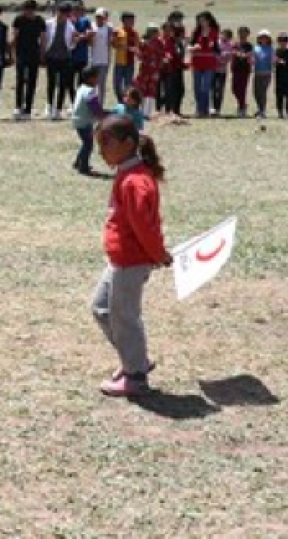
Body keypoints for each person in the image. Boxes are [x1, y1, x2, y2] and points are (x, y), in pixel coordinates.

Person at [91, 114, 171, 399]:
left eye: (106, 144)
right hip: (119, 260)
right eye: (99, 145)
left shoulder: (135, 181)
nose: (101, 152)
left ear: (127, 144)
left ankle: (136, 376)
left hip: (130, 262)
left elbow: (144, 227)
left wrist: (159, 254)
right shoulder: (126, 175)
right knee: (101, 308)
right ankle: (135, 359)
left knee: (125, 317)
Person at [11, 0, 46, 119]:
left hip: (34, 54)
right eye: (26, 9)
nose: (28, 12)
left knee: (32, 82)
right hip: (21, 53)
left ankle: (28, 109)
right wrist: (13, 54)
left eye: (30, 10)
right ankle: (18, 106)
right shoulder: (19, 19)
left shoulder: (40, 21)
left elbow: (43, 39)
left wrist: (42, 54)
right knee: (20, 80)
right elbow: (14, 37)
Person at [71, 66, 106, 176]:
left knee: (86, 143)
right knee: (88, 144)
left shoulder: (82, 88)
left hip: (78, 119)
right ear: (91, 78)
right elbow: (95, 108)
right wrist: (104, 116)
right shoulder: (90, 91)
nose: (98, 80)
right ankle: (83, 167)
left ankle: (78, 162)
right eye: (96, 77)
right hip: (84, 122)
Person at [188, 12, 220, 119]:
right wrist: (193, 48)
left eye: (203, 20)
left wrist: (206, 41)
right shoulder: (196, 32)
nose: (202, 22)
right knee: (197, 87)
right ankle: (199, 109)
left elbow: (211, 45)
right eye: (200, 20)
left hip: (209, 63)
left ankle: (204, 110)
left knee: (205, 87)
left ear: (209, 20)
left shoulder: (214, 31)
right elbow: (189, 46)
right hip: (197, 62)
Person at [111, 11, 139, 103]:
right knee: (117, 84)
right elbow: (113, 44)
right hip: (119, 62)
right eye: (130, 20)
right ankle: (120, 101)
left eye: (133, 20)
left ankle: (126, 102)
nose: (132, 22)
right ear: (124, 20)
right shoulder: (117, 31)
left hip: (130, 63)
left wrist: (136, 50)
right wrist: (121, 45)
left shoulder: (135, 33)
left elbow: (137, 46)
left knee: (128, 85)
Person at [251, 30, 274, 120]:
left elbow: (272, 60)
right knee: (256, 92)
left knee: (262, 92)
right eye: (262, 37)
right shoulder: (256, 48)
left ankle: (263, 110)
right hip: (257, 73)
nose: (263, 39)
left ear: (268, 39)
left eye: (265, 37)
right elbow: (253, 58)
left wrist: (273, 64)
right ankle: (259, 109)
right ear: (259, 39)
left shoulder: (270, 49)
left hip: (266, 74)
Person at [273, 33, 288, 119]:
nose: (283, 43)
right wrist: (277, 62)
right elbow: (273, 63)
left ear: (287, 42)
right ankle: (280, 112)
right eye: (281, 41)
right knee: (279, 95)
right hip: (279, 77)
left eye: (285, 41)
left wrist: (282, 62)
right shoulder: (276, 52)